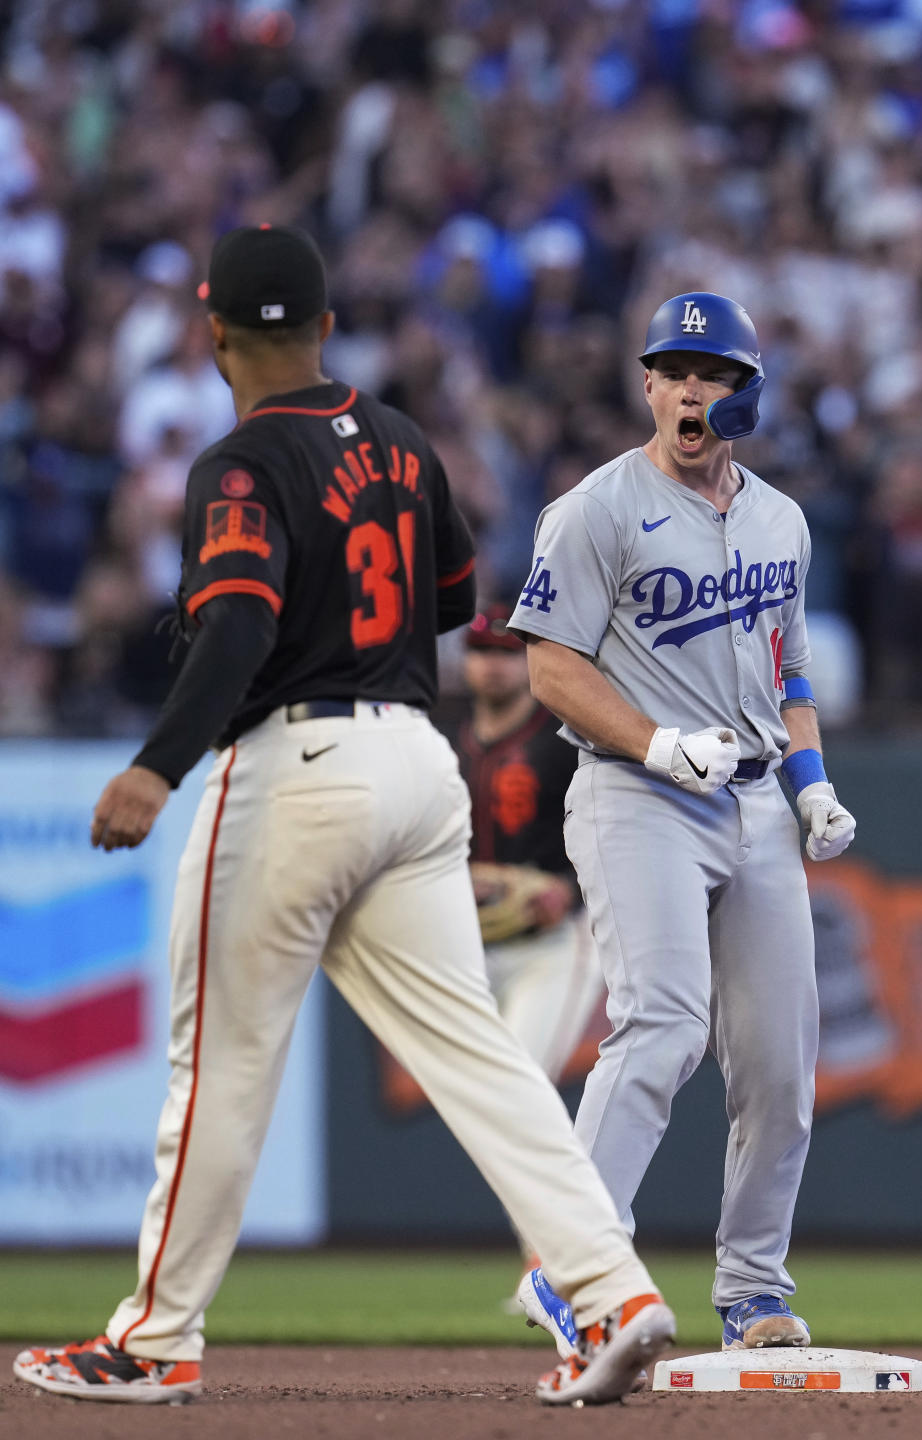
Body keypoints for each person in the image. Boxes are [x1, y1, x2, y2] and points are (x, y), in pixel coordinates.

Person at [12, 225, 674, 1408]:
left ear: (214, 333)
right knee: (478, 1054)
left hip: (294, 767)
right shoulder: (407, 442)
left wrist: (157, 767)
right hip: (420, 768)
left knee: (216, 1062)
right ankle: (615, 1290)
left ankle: (154, 1339)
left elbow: (238, 624)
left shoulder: (241, 463)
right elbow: (460, 595)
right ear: (324, 325)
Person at [508, 291, 856, 1355]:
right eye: (674, 367)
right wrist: (658, 743)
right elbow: (551, 666)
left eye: (714, 371)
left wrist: (810, 782)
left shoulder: (780, 521)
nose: (692, 387)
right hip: (636, 792)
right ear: (649, 386)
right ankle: (570, 1267)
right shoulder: (595, 509)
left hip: (754, 798)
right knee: (661, 1020)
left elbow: (788, 671)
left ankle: (753, 1289)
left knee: (782, 1067)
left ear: (745, 394)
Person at [451, 602, 605, 1083]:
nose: (492, 666)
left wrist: (569, 887)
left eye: (505, 653)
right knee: (479, 1097)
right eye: (480, 651)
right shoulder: (451, 747)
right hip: (474, 946)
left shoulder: (566, 741)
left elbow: (610, 833)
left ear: (530, 661)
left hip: (554, 942)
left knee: (522, 1090)